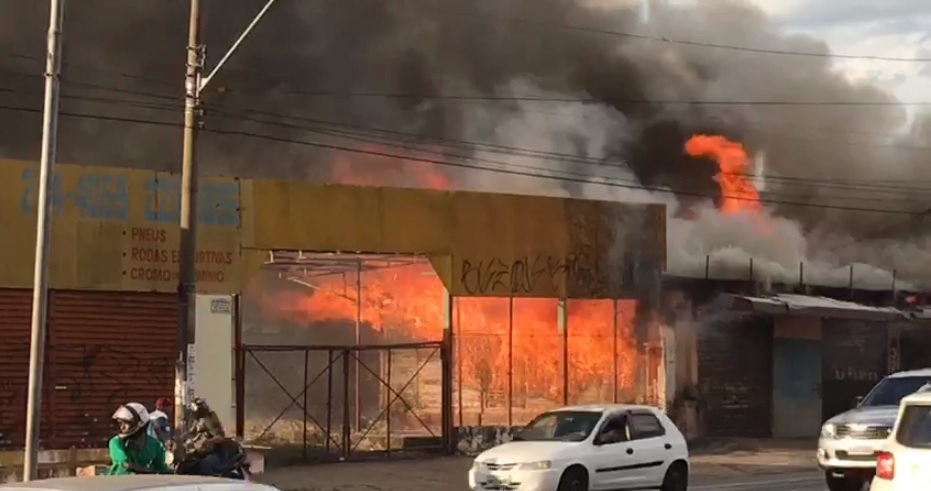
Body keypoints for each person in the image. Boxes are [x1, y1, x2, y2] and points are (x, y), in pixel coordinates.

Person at [107, 402, 173, 475]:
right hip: (119, 482)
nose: (122, 427)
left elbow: (161, 468)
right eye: (120, 423)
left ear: (140, 423)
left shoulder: (156, 445)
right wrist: (146, 471)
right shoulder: (116, 442)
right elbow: (125, 463)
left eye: (126, 423)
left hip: (145, 483)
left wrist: (174, 472)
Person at [182, 397, 229, 476]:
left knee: (204, 468)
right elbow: (190, 433)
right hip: (198, 452)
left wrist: (207, 441)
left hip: (214, 452)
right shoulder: (197, 421)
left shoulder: (208, 420)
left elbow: (220, 437)